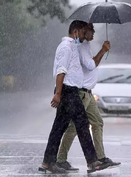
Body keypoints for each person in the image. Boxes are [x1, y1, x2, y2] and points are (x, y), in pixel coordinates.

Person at [40, 21, 110, 174]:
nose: (86, 35)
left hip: (68, 91)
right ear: (76, 32)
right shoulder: (66, 47)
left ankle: (48, 162)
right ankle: (92, 162)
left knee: (59, 128)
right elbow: (61, 71)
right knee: (82, 123)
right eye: (84, 31)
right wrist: (58, 94)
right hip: (68, 92)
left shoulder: (72, 46)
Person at [56, 23, 121, 172]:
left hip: (88, 93)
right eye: (91, 30)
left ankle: (100, 157)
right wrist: (103, 50)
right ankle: (61, 159)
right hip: (81, 92)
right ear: (83, 31)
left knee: (97, 123)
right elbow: (91, 65)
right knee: (74, 127)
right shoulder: (80, 46)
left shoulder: (84, 46)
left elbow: (88, 63)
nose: (93, 33)